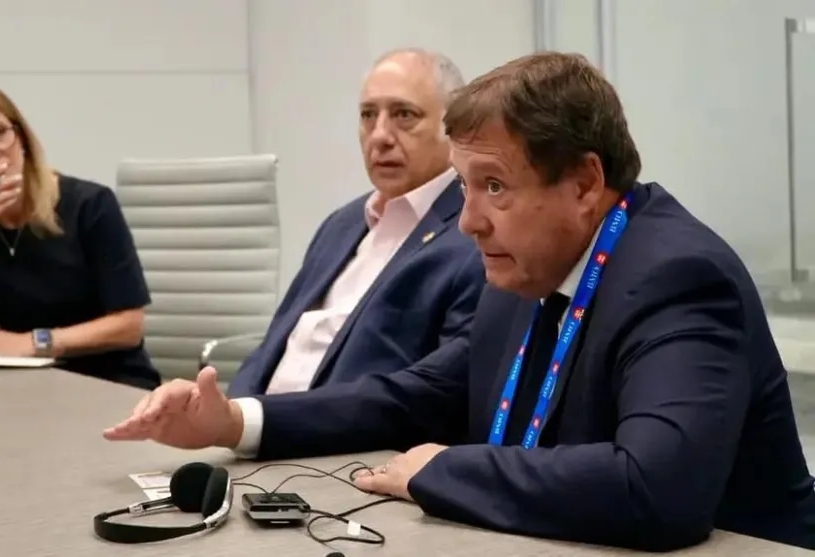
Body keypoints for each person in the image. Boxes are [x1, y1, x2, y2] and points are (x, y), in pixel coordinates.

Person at [102, 52, 815, 551]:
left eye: (494, 187)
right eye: (465, 187)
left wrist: (442, 470)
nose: (469, 221)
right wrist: (236, 419)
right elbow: (413, 398)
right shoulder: (523, 268)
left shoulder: (677, 278)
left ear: (584, 184)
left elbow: (654, 488)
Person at [226, 48, 484, 397]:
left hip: (337, 429)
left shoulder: (474, 233)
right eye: (368, 115)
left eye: (404, 115)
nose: (380, 136)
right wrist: (227, 411)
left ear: (453, 128)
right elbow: (270, 350)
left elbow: (438, 393)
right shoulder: (341, 225)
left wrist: (256, 418)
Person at [0, 78, 160, 390]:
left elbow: (130, 326)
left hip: (112, 380)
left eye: (0, 133)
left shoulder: (90, 205)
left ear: (21, 137)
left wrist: (34, 342)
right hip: (29, 385)